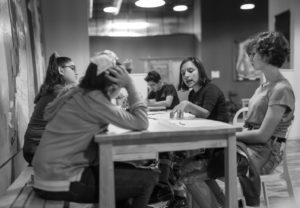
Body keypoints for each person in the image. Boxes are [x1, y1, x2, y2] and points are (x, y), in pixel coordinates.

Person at [177, 31, 295, 208]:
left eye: (254, 53)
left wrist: (229, 136)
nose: (250, 57)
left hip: (263, 153)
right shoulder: (265, 86)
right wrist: (229, 135)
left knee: (188, 171)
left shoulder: (281, 89)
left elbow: (263, 136)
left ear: (268, 54)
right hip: (250, 148)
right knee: (188, 168)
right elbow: (252, 128)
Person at [31, 52, 159, 208]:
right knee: (148, 179)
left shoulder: (80, 92)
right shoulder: (95, 99)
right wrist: (130, 84)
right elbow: (141, 122)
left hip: (47, 175)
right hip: (59, 181)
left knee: (129, 171)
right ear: (110, 82)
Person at [169, 57, 229, 208]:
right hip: (208, 144)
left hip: (221, 148)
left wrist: (187, 105)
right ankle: (225, 204)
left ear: (200, 71)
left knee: (184, 170)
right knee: (179, 163)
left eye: (190, 70)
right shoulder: (193, 94)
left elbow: (205, 113)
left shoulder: (211, 89)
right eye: (183, 73)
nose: (186, 76)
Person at [23, 52, 78, 165]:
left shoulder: (56, 89)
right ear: (61, 70)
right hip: (36, 151)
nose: (76, 72)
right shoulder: (58, 91)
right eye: (72, 68)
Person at [143, 70, 180, 203]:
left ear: (159, 82)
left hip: (175, 121)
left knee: (165, 149)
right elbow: (145, 100)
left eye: (153, 85)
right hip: (164, 119)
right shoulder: (154, 89)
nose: (151, 88)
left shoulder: (169, 87)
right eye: (150, 86)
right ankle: (161, 177)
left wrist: (151, 104)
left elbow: (168, 103)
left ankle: (164, 182)